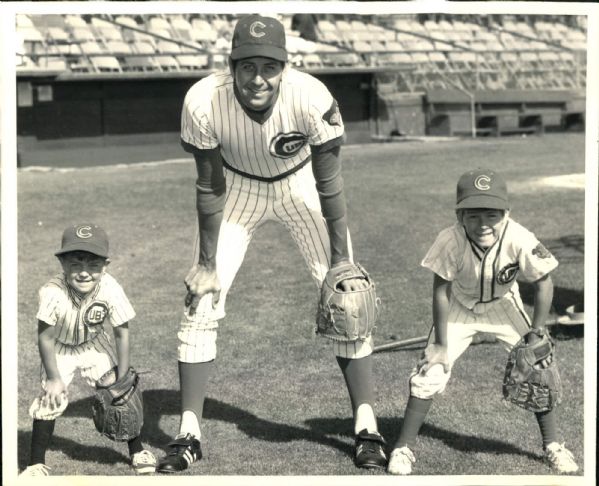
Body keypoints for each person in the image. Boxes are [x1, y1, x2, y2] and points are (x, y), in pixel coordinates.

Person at [156, 14, 387, 473]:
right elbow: (208, 186)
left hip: (299, 183)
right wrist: (206, 265)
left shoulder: (311, 95)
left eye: (269, 66)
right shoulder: (203, 100)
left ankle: (366, 426)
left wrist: (340, 262)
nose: (257, 78)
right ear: (231, 65)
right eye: (246, 66)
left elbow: (330, 184)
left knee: (349, 297)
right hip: (238, 187)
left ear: (285, 66)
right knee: (200, 302)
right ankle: (188, 434)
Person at [387, 169, 579, 475]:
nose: (483, 224)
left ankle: (554, 445)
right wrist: (439, 344)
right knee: (430, 371)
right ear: (459, 214)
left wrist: (537, 330)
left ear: (506, 213)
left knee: (538, 370)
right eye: (473, 215)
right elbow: (440, 290)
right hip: (458, 308)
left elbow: (544, 282)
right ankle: (402, 447)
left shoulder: (519, 237)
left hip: (504, 306)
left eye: (492, 214)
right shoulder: (449, 239)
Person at [20, 223, 156, 476]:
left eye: (93, 265)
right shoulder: (51, 291)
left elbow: (121, 332)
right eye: (76, 264)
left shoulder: (111, 287)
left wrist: (123, 376)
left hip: (94, 344)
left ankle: (138, 451)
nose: (84, 272)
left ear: (106, 265)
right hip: (59, 347)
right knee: (51, 398)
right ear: (63, 264)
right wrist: (53, 378)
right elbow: (45, 338)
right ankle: (35, 463)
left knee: (121, 394)